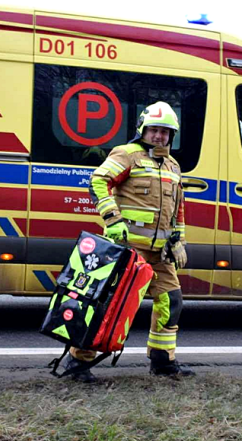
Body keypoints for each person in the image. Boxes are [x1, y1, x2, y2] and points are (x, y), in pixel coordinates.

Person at [62, 101, 195, 382]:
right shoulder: (127, 154)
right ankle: (77, 362)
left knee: (171, 301)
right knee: (108, 305)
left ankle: (162, 361)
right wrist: (113, 219)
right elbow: (98, 181)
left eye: (165, 131)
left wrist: (178, 240)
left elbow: (178, 208)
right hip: (128, 249)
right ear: (142, 130)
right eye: (154, 130)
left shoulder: (173, 166)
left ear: (172, 136)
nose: (159, 136)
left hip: (160, 253)